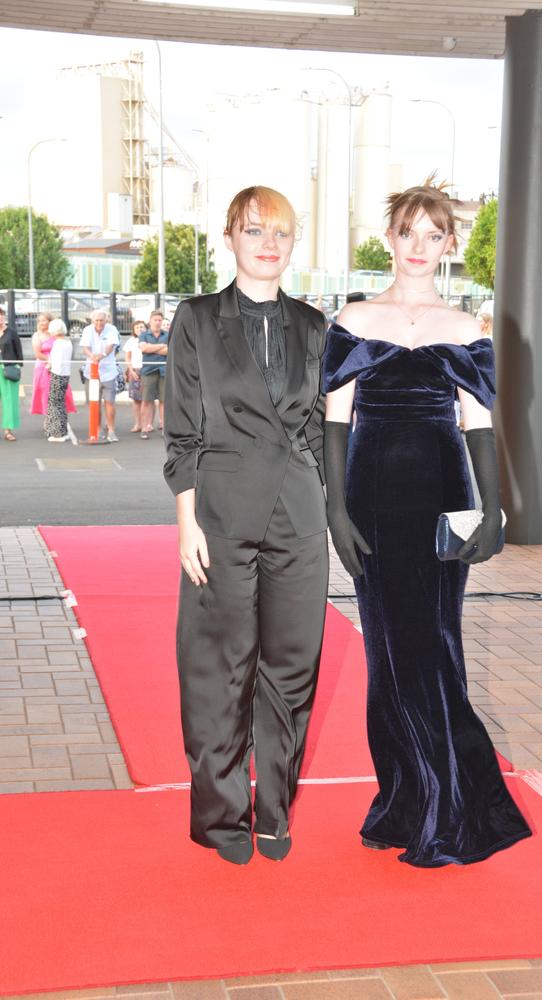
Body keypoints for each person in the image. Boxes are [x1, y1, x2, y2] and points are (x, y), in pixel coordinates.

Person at [322, 178, 531, 868]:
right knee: (388, 652)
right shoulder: (352, 319)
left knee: (436, 643)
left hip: (444, 492)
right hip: (372, 497)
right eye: (406, 231)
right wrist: (335, 511)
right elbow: (335, 422)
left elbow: (479, 426)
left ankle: (447, 802)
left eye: (431, 234)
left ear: (449, 245)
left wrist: (494, 508)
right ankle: (407, 800)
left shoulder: (467, 328)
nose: (418, 245)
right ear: (389, 239)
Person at [163, 185, 328, 866]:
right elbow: (181, 432)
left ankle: (274, 809)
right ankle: (222, 814)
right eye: (255, 230)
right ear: (229, 237)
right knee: (218, 669)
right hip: (222, 516)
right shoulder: (197, 319)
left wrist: (343, 515)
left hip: (298, 515)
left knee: (292, 668)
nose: (269, 243)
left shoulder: (314, 325)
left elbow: (321, 430)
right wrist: (186, 522)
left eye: (281, 233)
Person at [80, 310, 120, 442]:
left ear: (106, 320)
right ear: (92, 321)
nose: (99, 323)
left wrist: (101, 355)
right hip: (91, 372)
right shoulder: (87, 330)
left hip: (108, 372)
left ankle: (111, 430)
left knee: (109, 402)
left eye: (101, 320)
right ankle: (98, 429)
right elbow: (85, 348)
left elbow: (110, 346)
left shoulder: (112, 329)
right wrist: (92, 357)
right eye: (96, 320)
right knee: (94, 402)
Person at [31, 311, 76, 423]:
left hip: (58, 367)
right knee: (46, 392)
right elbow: (37, 353)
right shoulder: (37, 336)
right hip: (43, 367)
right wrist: (51, 361)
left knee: (60, 393)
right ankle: (49, 419)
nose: (41, 323)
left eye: (44, 320)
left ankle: (59, 418)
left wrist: (56, 362)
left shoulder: (56, 335)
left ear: (50, 322)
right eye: (40, 321)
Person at [139, 310, 168, 439]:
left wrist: (152, 348)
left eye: (159, 320)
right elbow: (144, 348)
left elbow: (170, 350)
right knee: (146, 401)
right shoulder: (144, 335)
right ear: (150, 321)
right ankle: (144, 428)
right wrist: (161, 346)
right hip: (148, 370)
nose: (157, 322)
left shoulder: (168, 334)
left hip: (165, 371)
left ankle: (165, 430)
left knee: (164, 401)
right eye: (155, 320)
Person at [45, 319, 73, 443]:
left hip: (57, 374)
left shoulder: (58, 343)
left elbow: (56, 361)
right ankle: (63, 431)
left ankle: (57, 434)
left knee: (54, 403)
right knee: (60, 403)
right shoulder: (68, 342)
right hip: (65, 375)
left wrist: (49, 367)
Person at [0, 306, 23, 442]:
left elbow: (18, 350)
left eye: (1, 315)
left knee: (9, 401)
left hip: (8, 369)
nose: (0, 317)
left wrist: (17, 365)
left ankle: (8, 430)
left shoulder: (11, 333)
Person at [124, 319, 145, 433]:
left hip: (147, 371)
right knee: (136, 400)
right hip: (135, 371)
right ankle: (138, 424)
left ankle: (146, 424)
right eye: (137, 327)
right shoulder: (131, 341)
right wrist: (131, 371)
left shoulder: (148, 339)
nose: (139, 329)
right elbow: (127, 357)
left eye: (141, 327)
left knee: (146, 400)